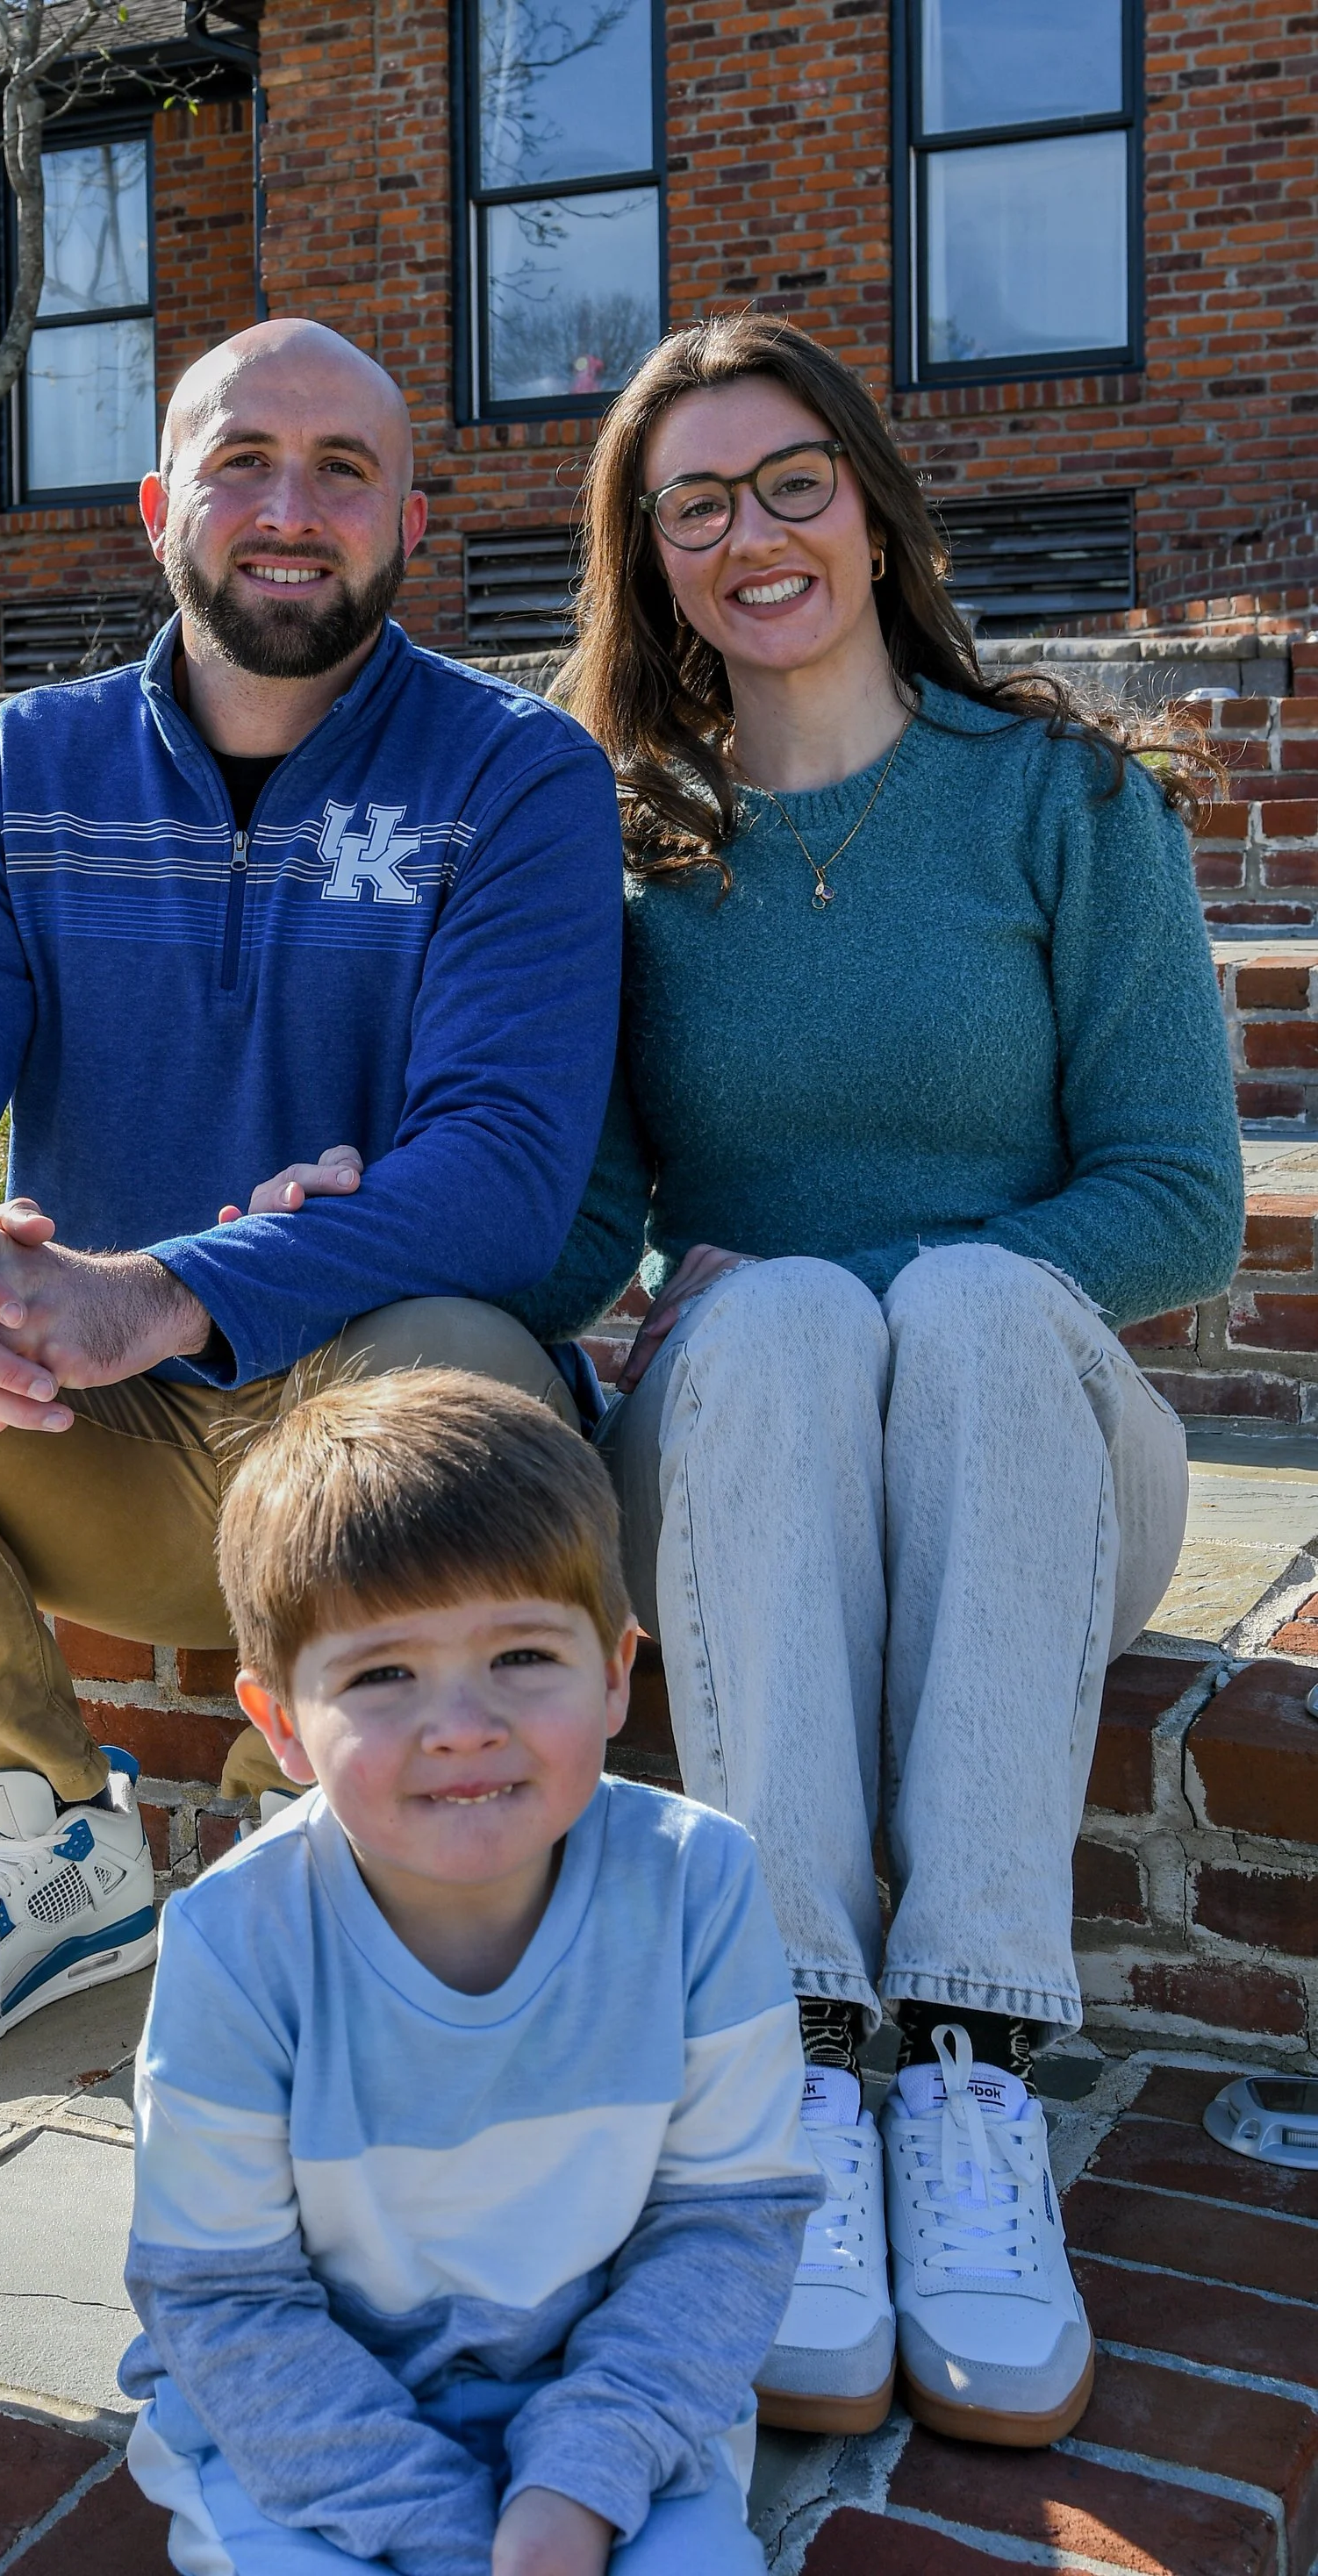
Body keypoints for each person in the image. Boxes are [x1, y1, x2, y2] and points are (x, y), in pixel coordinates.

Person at [0, 318, 623, 2030]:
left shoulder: (515, 776)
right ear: (154, 506)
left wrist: (159, 1286)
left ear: (411, 520)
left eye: (343, 469)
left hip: (357, 1426)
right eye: (241, 459)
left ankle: (329, 1892)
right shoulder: (14, 777)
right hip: (79, 1442)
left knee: (466, 1363)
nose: (289, 504)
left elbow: (500, 1174)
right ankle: (44, 1846)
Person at [498, 317, 1243, 2448]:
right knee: (791, 1322)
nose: (755, 535)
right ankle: (800, 2069)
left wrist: (905, 1278)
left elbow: (1179, 1201)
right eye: (695, 503)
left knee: (959, 1309)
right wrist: (347, 1203)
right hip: (754, 1470)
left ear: (870, 502)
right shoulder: (626, 862)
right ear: (645, 560)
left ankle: (972, 2075)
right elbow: (571, 1232)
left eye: (790, 479)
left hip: (1040, 1456)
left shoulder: (1062, 801)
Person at [118, 1371, 818, 2576]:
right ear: (280, 1722)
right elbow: (225, 2300)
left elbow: (726, 2223)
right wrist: (451, 2538)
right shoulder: (238, 1942)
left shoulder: (699, 1886)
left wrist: (577, 2486)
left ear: (613, 1672)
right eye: (383, 1675)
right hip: (302, 2433)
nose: (461, 1724)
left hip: (612, 2409)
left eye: (522, 1655)